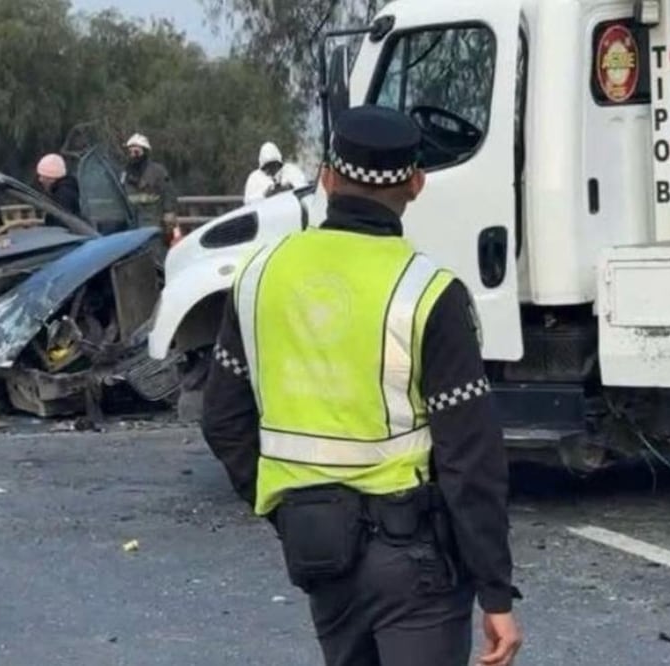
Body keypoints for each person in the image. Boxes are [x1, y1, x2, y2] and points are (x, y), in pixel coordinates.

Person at [200, 105, 523, 666]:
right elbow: (471, 459)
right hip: (416, 560)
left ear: (327, 178)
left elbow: (223, 421)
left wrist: (291, 511)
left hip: (319, 549)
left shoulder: (257, 276)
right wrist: (495, 592)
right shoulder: (429, 293)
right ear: (416, 184)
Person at [120, 133, 178, 235]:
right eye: (130, 152)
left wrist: (169, 212)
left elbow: (168, 192)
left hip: (152, 219)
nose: (132, 155)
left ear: (145, 152)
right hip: (131, 221)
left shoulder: (158, 171)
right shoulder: (125, 172)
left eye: (136, 152)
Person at [243, 142, 309, 204]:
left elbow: (305, 188)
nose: (272, 168)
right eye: (268, 166)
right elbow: (248, 201)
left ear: (279, 163)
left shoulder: (291, 170)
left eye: (274, 164)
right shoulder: (254, 178)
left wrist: (291, 187)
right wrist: (265, 194)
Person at [35, 153, 81, 228]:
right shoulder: (66, 190)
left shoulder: (62, 196)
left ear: (51, 178)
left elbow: (60, 225)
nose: (40, 180)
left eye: (42, 176)